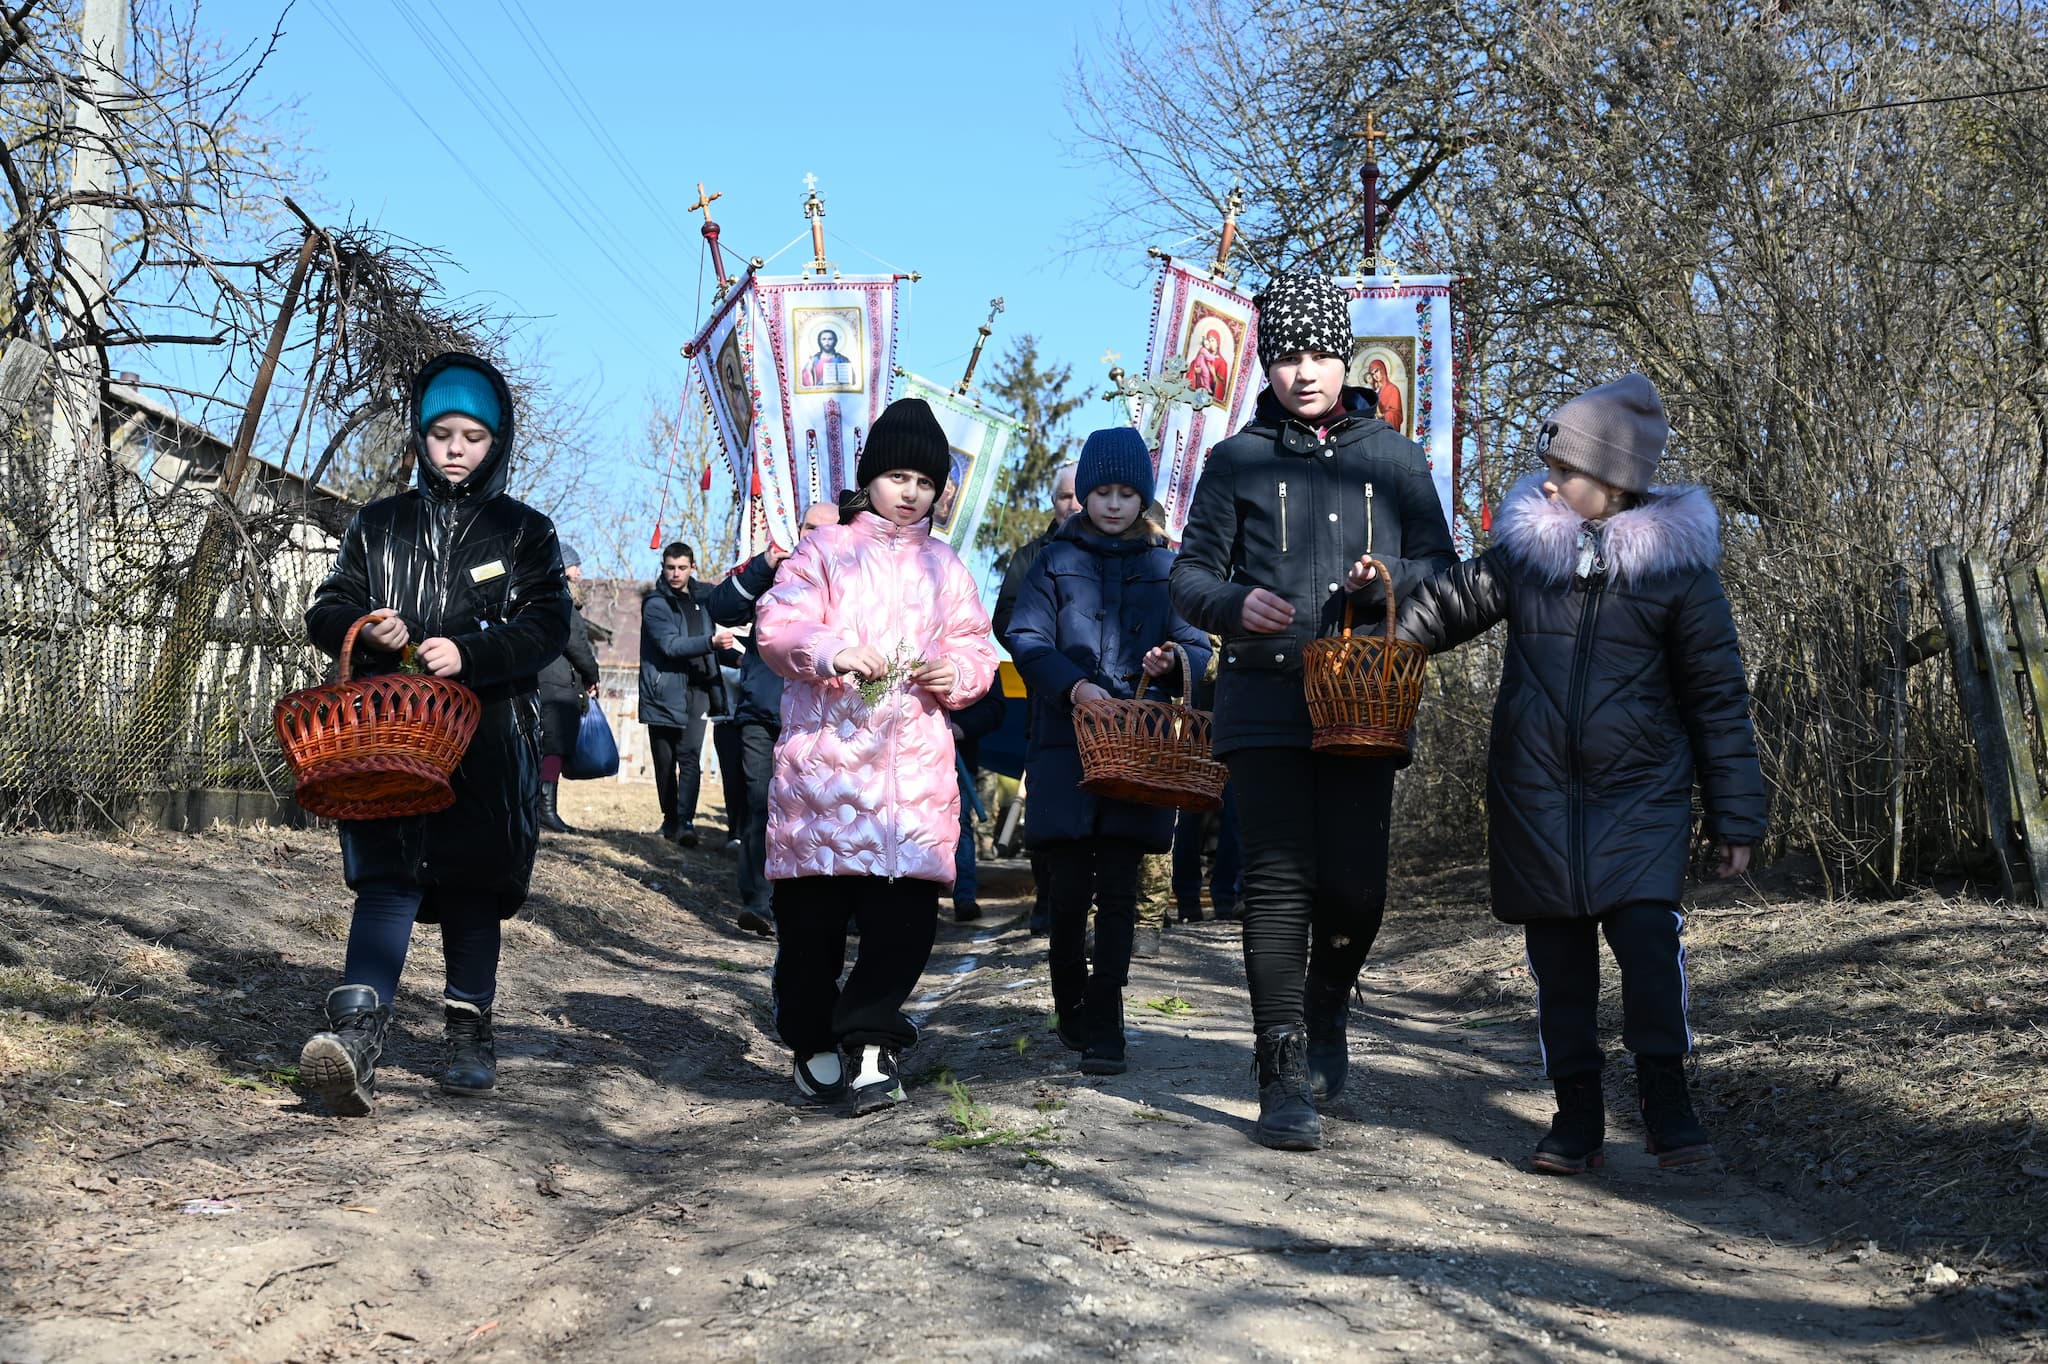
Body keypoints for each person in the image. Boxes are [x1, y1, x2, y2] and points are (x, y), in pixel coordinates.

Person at [1397, 374, 1765, 1174]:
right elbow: (1442, 608)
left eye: (1566, 471)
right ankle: (1577, 1117)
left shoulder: (1680, 574)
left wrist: (1735, 816)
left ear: (1616, 478)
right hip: (1535, 799)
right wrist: (1376, 626)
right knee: (1559, 969)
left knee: (1646, 948)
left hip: (1642, 797)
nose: (1552, 483)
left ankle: (1668, 1105)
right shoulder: (1527, 556)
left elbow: (1717, 698)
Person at [1170, 270, 1457, 1151]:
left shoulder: (1398, 460)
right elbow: (1189, 576)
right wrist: (1231, 606)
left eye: (1318, 354)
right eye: (1286, 355)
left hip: (1364, 702)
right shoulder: (1237, 459)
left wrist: (1394, 581)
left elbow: (1446, 577)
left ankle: (1329, 999)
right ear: (1267, 362)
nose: (1302, 372)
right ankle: (1281, 1064)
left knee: (1356, 890)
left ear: (1347, 357)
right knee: (1278, 879)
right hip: (1263, 696)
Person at [296, 352, 572, 1117]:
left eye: (473, 436)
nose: (455, 448)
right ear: (420, 438)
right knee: (386, 877)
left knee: (472, 884)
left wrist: (474, 653)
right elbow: (327, 607)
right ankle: (354, 1039)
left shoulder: (526, 533)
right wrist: (363, 626)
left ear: (499, 442)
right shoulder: (377, 524)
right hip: (389, 736)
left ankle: (468, 1030)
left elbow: (549, 625)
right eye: (441, 432)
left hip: (488, 740)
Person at [755, 397, 998, 1114]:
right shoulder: (825, 551)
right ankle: (811, 1041)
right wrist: (831, 649)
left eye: (925, 482)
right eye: (897, 476)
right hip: (822, 775)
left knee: (904, 926)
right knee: (811, 931)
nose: (910, 492)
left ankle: (867, 1037)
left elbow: (974, 644)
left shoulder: (947, 567)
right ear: (870, 478)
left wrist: (960, 674)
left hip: (910, 782)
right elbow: (777, 625)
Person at [1008, 427, 1211, 1076]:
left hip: (1139, 751)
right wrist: (1073, 685)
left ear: (1142, 497)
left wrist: (1174, 658)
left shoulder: (1168, 565)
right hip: (1066, 746)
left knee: (1120, 889)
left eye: (1128, 492)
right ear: (1086, 494)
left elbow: (1198, 645)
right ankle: (1069, 991)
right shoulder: (1051, 561)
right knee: (1067, 891)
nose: (1115, 504)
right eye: (1103, 491)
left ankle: (1107, 1013)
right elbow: (1026, 636)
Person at [707, 500, 840, 937]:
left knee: (818, 810)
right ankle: (759, 903)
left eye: (825, 529)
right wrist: (763, 565)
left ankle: (819, 907)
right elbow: (721, 608)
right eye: (807, 527)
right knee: (760, 805)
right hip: (761, 715)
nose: (813, 537)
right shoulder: (772, 574)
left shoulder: (849, 581)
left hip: (820, 721)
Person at [992, 460, 1080, 937]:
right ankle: (1046, 901)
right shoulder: (1030, 556)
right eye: (1064, 496)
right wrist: (1045, 654)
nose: (1074, 504)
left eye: (1079, 494)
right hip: (1046, 701)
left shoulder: (1124, 551)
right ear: (1053, 501)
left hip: (1110, 705)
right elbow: (1004, 618)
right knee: (1047, 804)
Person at [640, 541, 736, 847]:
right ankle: (669, 818)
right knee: (665, 761)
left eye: (682, 567)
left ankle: (685, 823)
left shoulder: (704, 598)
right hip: (664, 692)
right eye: (670, 567)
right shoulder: (656, 605)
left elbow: (714, 643)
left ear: (692, 567)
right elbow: (671, 645)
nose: (675, 573)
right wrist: (711, 642)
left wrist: (740, 659)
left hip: (698, 691)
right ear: (663, 568)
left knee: (691, 757)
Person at [535, 543, 601, 834]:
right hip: (558, 683)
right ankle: (546, 812)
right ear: (563, 568)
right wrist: (593, 674)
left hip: (544, 680)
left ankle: (539, 809)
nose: (579, 572)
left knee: (544, 746)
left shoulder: (538, 597)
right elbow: (577, 645)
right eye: (575, 566)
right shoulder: (562, 600)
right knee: (554, 745)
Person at [948, 686, 1007, 923]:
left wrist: (962, 728)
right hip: (899, 757)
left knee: (959, 824)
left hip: (957, 757)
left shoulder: (973, 651)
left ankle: (964, 896)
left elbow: (994, 707)